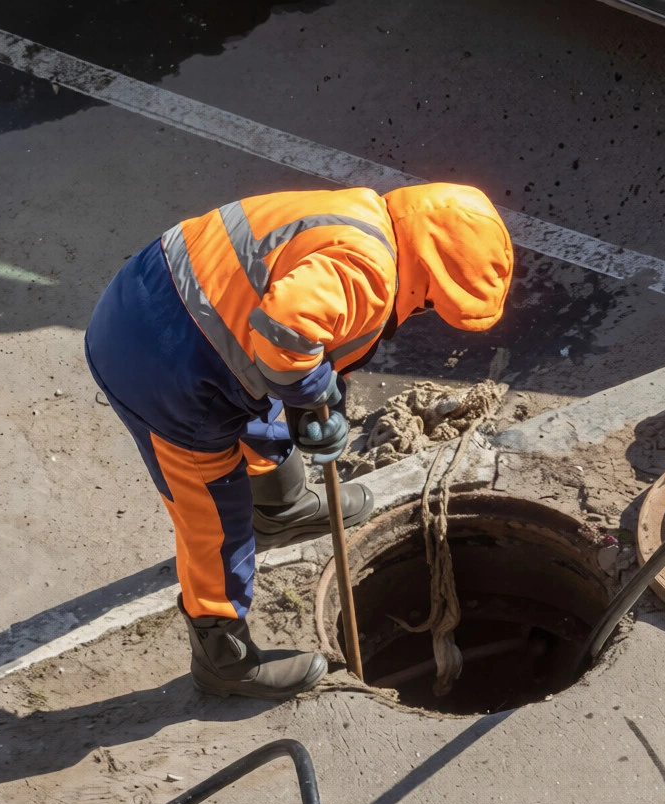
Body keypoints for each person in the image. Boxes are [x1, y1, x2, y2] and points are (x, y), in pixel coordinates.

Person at [86, 183, 514, 701]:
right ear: (428, 272)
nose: (424, 311)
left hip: (153, 301)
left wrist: (315, 398)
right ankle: (223, 657)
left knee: (263, 407)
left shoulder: (359, 211)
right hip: (163, 369)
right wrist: (313, 396)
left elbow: (291, 326)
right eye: (431, 303)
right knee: (214, 519)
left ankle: (281, 509)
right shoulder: (371, 271)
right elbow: (285, 334)